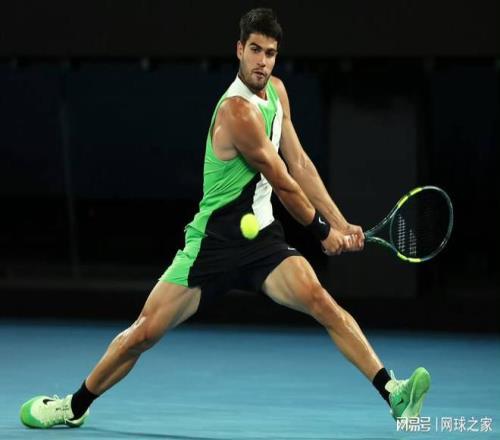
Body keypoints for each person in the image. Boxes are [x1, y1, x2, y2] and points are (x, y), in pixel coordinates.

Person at [20, 8, 430, 429]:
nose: (262, 62)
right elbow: (282, 180)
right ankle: (73, 406)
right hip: (212, 245)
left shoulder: (278, 93)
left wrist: (340, 222)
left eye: (270, 53)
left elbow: (301, 164)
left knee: (322, 302)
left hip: (263, 242)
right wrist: (322, 232)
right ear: (239, 50)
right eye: (255, 50)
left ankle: (393, 393)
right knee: (143, 333)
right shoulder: (237, 112)